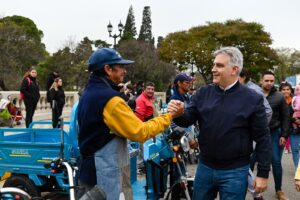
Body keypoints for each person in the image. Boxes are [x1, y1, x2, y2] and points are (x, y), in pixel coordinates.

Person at [77, 48, 183, 200]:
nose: (125, 71)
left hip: (90, 170)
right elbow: (140, 132)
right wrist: (170, 116)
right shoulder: (110, 100)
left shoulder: (90, 92)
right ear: (108, 69)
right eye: (121, 67)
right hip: (104, 175)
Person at [168, 46, 271, 200]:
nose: (213, 69)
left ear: (234, 69)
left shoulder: (252, 99)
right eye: (214, 64)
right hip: (205, 167)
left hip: (235, 172)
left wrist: (263, 173)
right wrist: (178, 112)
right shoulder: (203, 93)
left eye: (219, 65)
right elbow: (187, 119)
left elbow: (263, 138)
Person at [239, 68, 273, 200]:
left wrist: (256, 128)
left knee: (241, 163)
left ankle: (256, 194)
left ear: (243, 77)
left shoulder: (253, 90)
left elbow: (268, 111)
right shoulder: (238, 89)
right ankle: (256, 194)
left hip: (249, 135)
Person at [261, 71, 290, 200]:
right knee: (250, 160)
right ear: (261, 80)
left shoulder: (279, 96)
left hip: (274, 133)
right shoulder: (254, 94)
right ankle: (248, 188)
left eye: (272, 81)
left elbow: (286, 117)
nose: (269, 83)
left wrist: (284, 135)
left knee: (276, 161)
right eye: (267, 80)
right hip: (256, 133)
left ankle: (279, 190)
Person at [279, 82, 300, 168]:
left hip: (294, 130)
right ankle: (277, 167)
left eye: (287, 89)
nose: (286, 91)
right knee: (278, 151)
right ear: (280, 91)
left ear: (291, 90)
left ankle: (298, 172)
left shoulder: (296, 100)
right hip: (281, 130)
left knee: (295, 150)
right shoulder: (277, 100)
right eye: (283, 90)